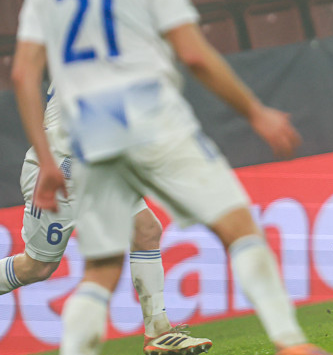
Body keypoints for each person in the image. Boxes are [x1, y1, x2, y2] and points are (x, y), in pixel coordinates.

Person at [9, 0, 330, 355]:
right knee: (234, 226)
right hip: (141, 120)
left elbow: (23, 74)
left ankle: (158, 330)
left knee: (122, 247)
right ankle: (290, 342)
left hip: (84, 135)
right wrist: (255, 111)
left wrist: (47, 159)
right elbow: (193, 53)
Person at [0, 88, 212, 354]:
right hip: (63, 168)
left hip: (100, 162)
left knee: (146, 230)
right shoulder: (97, 67)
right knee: (37, 267)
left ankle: (159, 332)